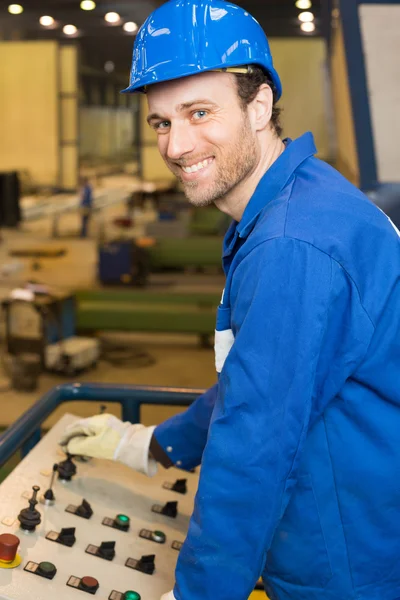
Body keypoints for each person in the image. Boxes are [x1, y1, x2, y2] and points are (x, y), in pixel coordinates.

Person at [59, 1, 400, 599]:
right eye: (162, 122)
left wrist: (201, 593)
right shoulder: (303, 197)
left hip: (345, 558)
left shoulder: (292, 243)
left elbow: (257, 444)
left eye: (199, 112)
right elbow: (264, 374)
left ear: (260, 104)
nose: (177, 144)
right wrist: (159, 443)